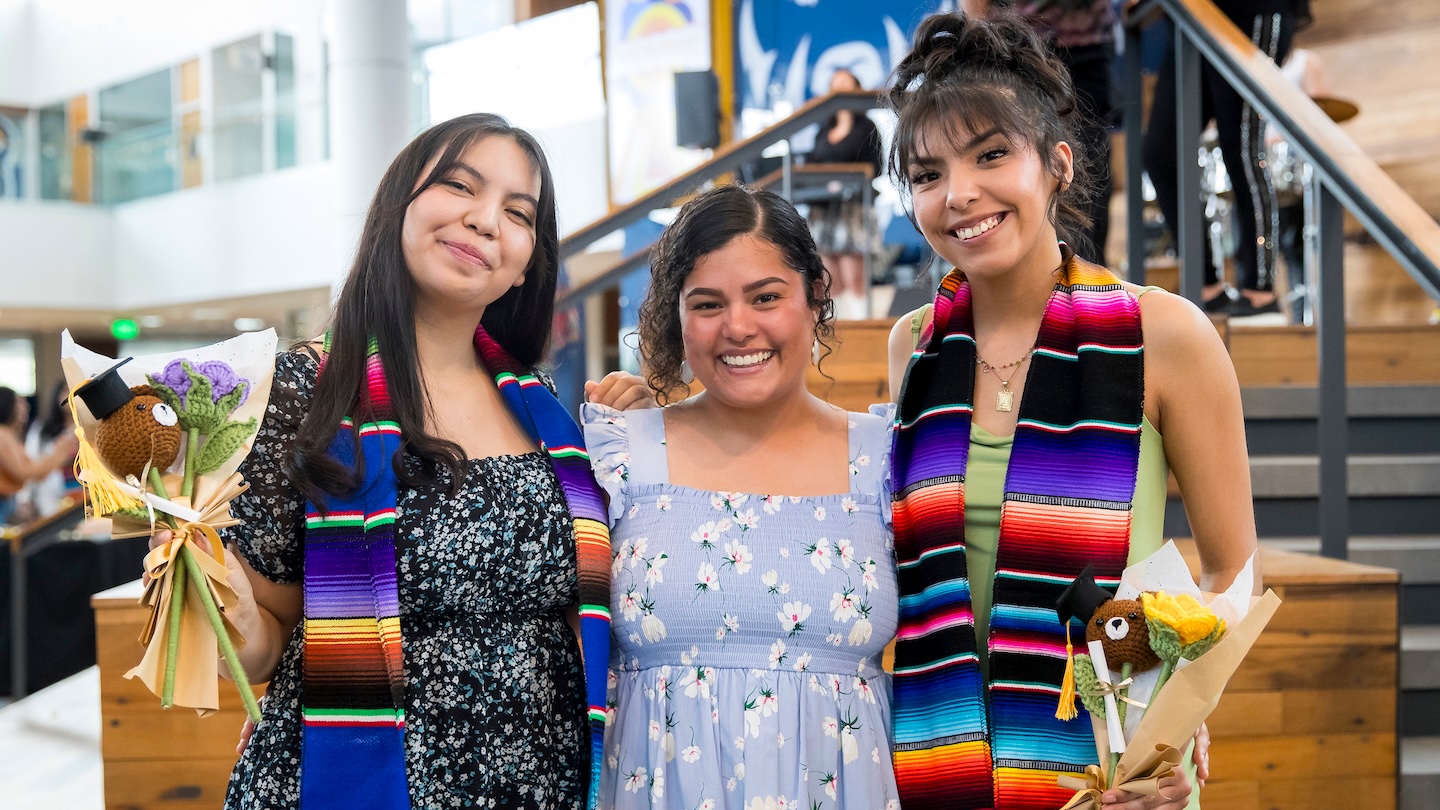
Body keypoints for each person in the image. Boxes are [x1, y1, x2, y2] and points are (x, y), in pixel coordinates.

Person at [154, 113, 613, 809]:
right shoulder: (303, 394)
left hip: (537, 786)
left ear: (527, 264)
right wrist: (206, 578)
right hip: (358, 785)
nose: (486, 220)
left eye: (518, 214)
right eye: (461, 185)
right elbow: (264, 645)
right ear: (400, 202)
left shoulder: (544, 410)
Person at [883, 14, 1256, 809]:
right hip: (945, 765)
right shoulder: (912, 345)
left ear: (1055, 164)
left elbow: (1233, 568)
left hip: (1113, 776)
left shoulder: (1166, 333)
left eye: (991, 155)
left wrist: (1173, 726)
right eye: (926, 174)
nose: (960, 194)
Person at [582, 184, 901, 809]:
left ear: (815, 296)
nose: (738, 327)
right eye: (707, 304)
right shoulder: (622, 454)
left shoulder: (887, 459)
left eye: (765, 297)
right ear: (675, 316)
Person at [1143, 0, 1313, 317]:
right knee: (1161, 153)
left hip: (1249, 14)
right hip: (1191, 19)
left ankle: (1260, 290)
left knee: (1242, 149)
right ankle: (1207, 283)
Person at [961, 0, 1116, 265]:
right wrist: (979, 42)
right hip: (1011, 47)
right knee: (1011, 167)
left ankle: (1088, 280)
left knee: (1091, 174)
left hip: (1085, 45)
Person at [805, 68, 883, 320]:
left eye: (845, 85)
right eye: (834, 85)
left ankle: (861, 324)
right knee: (829, 276)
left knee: (853, 273)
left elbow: (876, 165)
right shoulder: (822, 129)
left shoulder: (866, 127)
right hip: (825, 208)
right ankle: (838, 326)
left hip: (853, 207)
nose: (840, 90)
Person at [0, 386, 78, 525]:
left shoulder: (9, 435)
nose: (25, 407)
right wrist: (60, 452)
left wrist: (59, 452)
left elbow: (36, 471)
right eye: (19, 403)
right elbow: (26, 472)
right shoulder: (2, 434)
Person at [19, 380, 82, 519]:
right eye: (66, 391)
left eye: (74, 391)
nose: (71, 395)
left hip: (82, 491)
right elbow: (31, 461)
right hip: (50, 493)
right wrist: (25, 498)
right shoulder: (42, 429)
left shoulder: (88, 427)